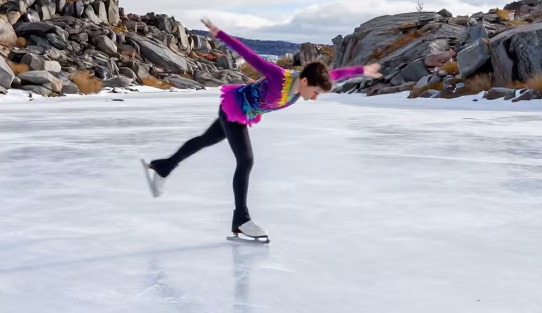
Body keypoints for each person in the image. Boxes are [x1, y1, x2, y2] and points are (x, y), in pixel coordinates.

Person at [141, 19, 382, 242]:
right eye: (316, 92)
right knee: (245, 161)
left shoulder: (305, 84)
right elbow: (248, 54)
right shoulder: (279, 77)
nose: (315, 97)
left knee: (206, 140)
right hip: (235, 108)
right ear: (307, 82)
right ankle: (241, 220)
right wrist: (219, 34)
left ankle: (163, 167)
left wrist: (362, 71)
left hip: (243, 112)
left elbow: (337, 74)